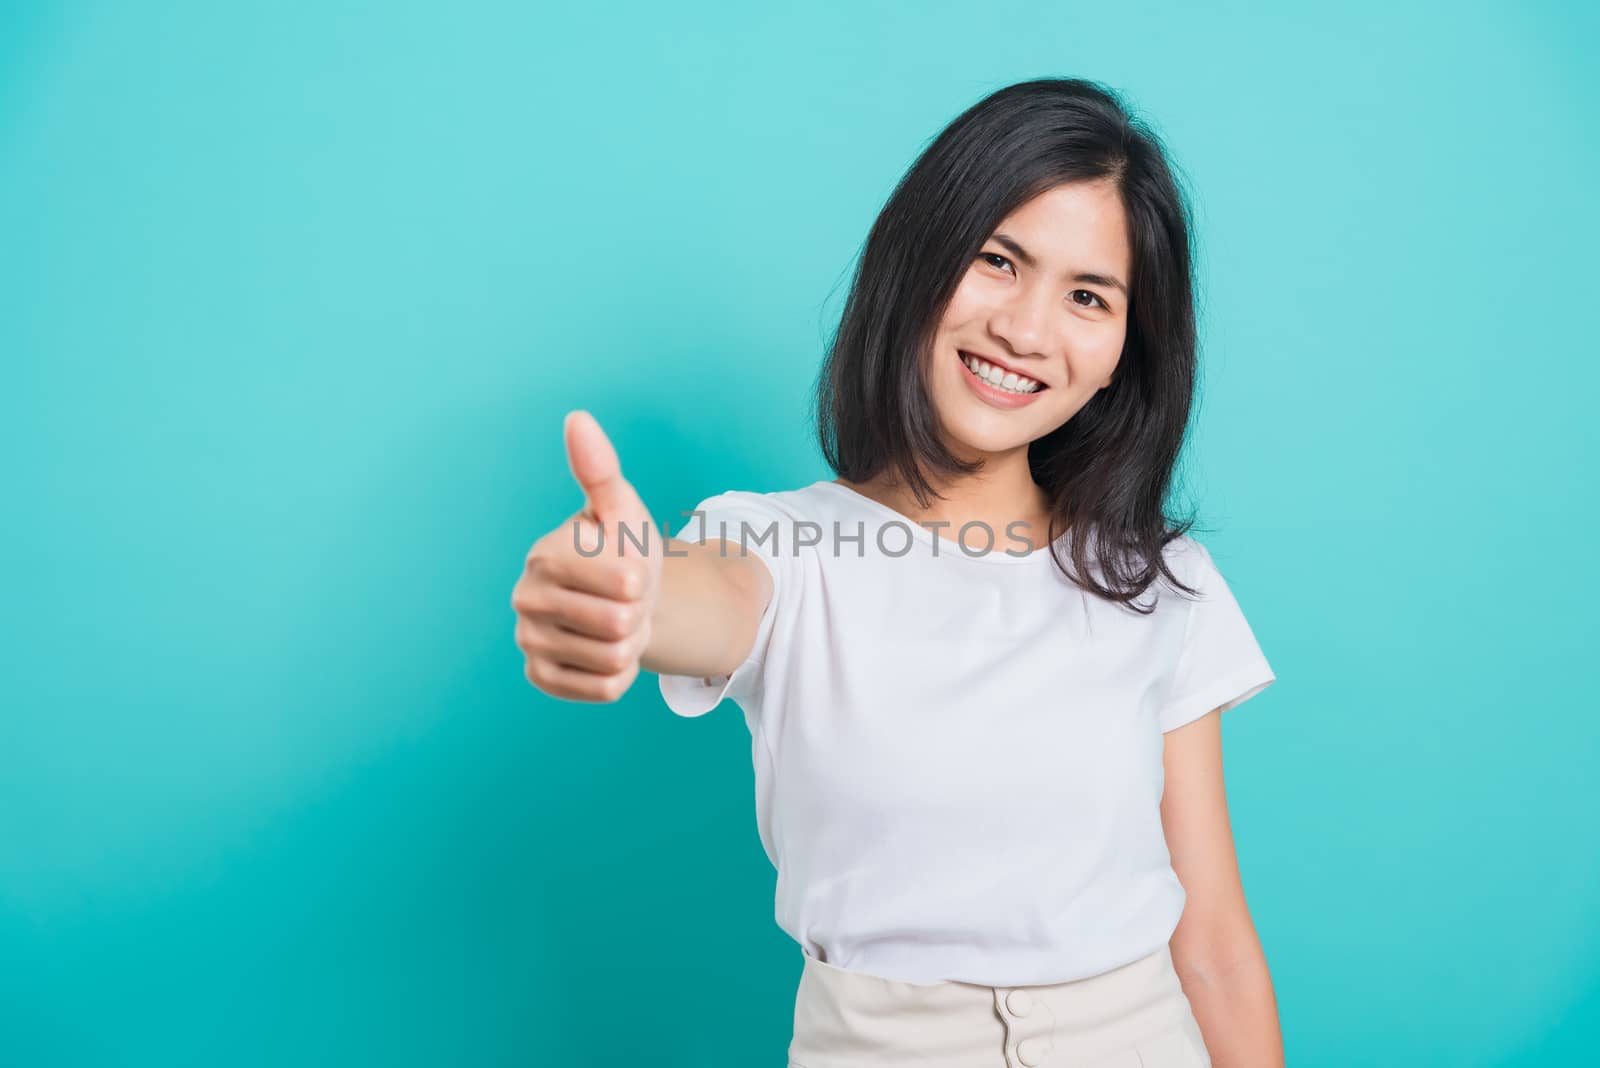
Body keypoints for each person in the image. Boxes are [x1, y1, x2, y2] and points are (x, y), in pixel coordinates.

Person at [512, 77, 1285, 1067]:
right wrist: (616, 590)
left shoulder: (1159, 578)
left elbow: (1213, 938)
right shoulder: (784, 546)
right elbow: (695, 596)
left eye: (1087, 296)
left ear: (1120, 358)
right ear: (919, 262)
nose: (1025, 328)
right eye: (997, 260)